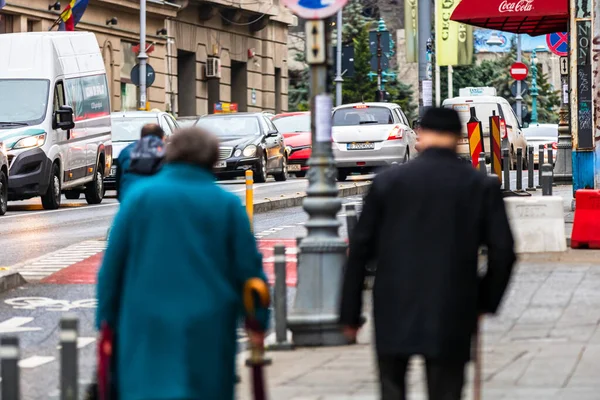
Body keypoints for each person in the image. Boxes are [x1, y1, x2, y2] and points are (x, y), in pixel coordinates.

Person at [339, 107, 516, 400]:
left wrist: (349, 315)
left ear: (421, 134)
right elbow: (504, 252)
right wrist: (484, 301)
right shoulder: (479, 185)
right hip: (453, 306)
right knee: (446, 390)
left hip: (393, 305)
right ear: (458, 137)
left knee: (392, 389)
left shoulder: (387, 183)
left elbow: (359, 250)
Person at [96, 126, 269, 400]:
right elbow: (250, 273)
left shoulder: (138, 199)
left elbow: (111, 270)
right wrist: (258, 322)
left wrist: (106, 323)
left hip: (145, 324)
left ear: (169, 155)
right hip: (209, 325)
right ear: (212, 160)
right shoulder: (227, 205)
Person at [115, 123, 166, 201]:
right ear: (162, 138)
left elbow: (119, 182)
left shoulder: (125, 151)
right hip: (159, 199)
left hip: (130, 197)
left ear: (141, 136)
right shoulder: (168, 151)